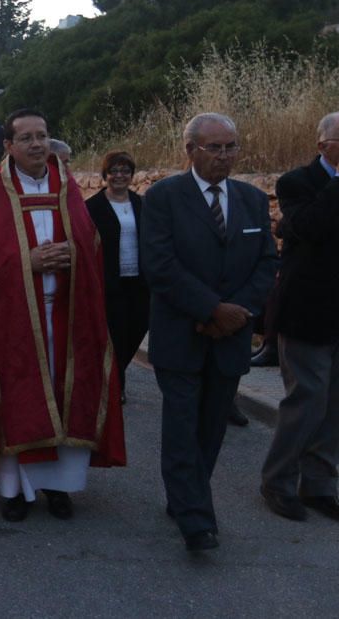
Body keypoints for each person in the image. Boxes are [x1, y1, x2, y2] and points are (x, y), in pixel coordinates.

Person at [0, 109, 126, 525]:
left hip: (68, 313)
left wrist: (75, 254)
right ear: (9, 146)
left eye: (43, 135)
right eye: (27, 138)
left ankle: (59, 488)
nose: (37, 144)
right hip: (15, 319)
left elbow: (91, 244)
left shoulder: (67, 188)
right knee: (19, 400)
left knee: (67, 396)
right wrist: (26, 261)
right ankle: (13, 491)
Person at [141, 112, 277, 551]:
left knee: (211, 427)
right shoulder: (164, 197)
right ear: (190, 150)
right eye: (214, 148)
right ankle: (197, 520)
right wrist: (210, 308)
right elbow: (160, 266)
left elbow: (267, 264)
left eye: (231, 147)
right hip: (182, 331)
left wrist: (237, 313)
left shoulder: (252, 201)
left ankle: (184, 495)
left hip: (231, 335)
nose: (224, 156)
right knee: (182, 424)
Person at [260, 111, 339, 522]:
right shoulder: (297, 183)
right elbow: (309, 226)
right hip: (308, 311)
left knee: (334, 407)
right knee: (305, 404)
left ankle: (320, 485)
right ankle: (277, 482)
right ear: (322, 144)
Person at [84, 151, 149, 402]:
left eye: (125, 171)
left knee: (138, 329)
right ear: (105, 175)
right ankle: (115, 383)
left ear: (132, 175)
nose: (119, 176)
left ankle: (115, 372)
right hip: (109, 281)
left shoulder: (142, 204)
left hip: (140, 281)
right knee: (114, 333)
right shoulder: (92, 207)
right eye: (114, 171)